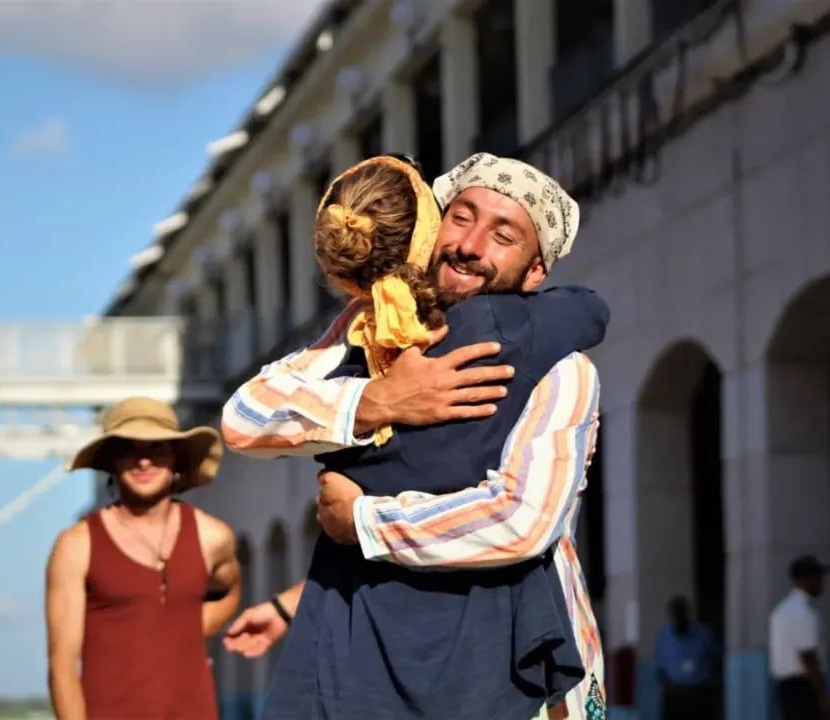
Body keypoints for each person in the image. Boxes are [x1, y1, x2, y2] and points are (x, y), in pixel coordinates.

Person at [223, 153, 608, 719]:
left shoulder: (562, 369)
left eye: (503, 235)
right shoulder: (367, 330)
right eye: (461, 217)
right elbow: (245, 417)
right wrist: (375, 401)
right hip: (366, 663)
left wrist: (365, 521)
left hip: (510, 664)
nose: (470, 245)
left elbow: (521, 520)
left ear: (534, 272)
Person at [46, 397, 241, 720]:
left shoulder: (212, 537)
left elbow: (230, 589)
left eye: (156, 448)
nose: (144, 462)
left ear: (176, 458)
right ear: (111, 462)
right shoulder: (76, 545)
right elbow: (61, 666)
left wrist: (188, 627)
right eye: (129, 449)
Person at [770, 555, 830, 720]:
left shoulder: (781, 610)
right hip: (804, 686)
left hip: (785, 687)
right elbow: (807, 655)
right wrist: (822, 695)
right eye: (818, 578)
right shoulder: (803, 611)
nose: (821, 583)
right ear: (805, 580)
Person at [654, 596, 720, 720]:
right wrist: (667, 685)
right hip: (674, 694)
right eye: (675, 616)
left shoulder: (703, 634)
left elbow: (715, 660)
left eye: (680, 615)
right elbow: (659, 667)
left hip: (698, 693)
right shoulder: (664, 636)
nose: (678, 620)